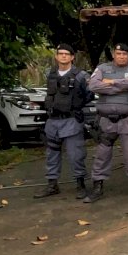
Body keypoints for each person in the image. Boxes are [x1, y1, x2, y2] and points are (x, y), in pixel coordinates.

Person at [84, 43, 128, 203]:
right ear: (114, 54)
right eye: (118, 53)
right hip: (106, 120)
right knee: (101, 155)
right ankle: (97, 187)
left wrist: (111, 82)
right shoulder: (102, 68)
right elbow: (93, 85)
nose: (121, 56)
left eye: (124, 54)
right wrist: (123, 86)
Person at [34, 44, 91, 200]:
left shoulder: (80, 75)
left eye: (67, 54)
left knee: (75, 154)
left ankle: (80, 185)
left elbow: (89, 95)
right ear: (56, 56)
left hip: (71, 120)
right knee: (51, 154)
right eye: (61, 54)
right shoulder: (50, 74)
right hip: (52, 121)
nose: (64, 56)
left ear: (72, 57)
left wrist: (76, 106)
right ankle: (52, 184)